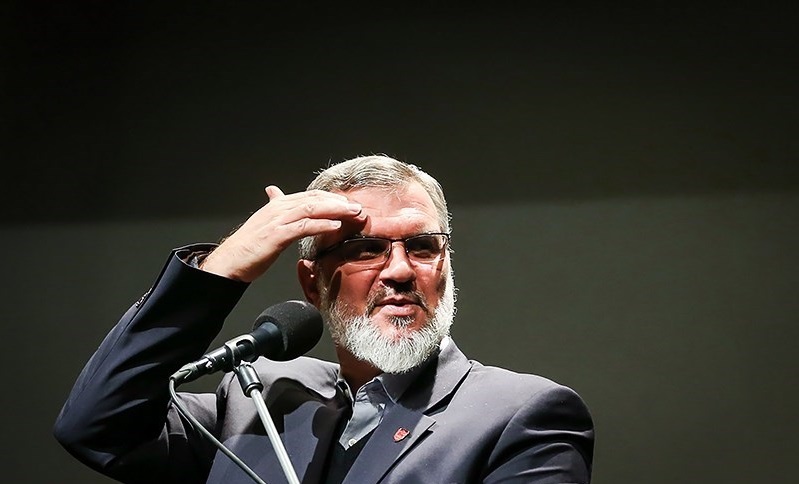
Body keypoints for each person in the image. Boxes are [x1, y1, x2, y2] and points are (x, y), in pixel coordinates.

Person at [54, 155, 594, 483]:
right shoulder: (258, 400)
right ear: (312, 284)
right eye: (365, 250)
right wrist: (220, 271)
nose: (400, 270)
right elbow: (97, 428)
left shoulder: (520, 415)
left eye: (423, 246)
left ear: (445, 266)